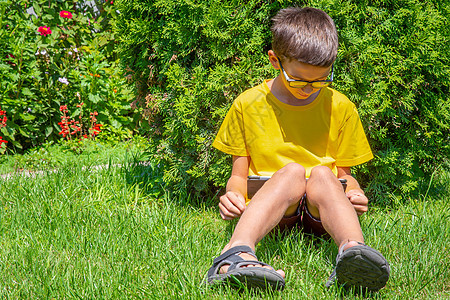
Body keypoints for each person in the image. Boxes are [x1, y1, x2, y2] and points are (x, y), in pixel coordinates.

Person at [206, 6, 390, 291]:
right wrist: (233, 194)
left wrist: (354, 191)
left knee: (321, 174)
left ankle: (354, 253)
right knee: (292, 172)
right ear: (275, 60)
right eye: (300, 80)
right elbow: (239, 175)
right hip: (274, 211)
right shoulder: (248, 104)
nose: (310, 89)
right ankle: (235, 253)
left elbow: (345, 174)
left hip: (322, 212)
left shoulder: (340, 107)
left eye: (321, 80)